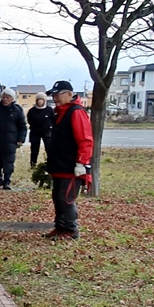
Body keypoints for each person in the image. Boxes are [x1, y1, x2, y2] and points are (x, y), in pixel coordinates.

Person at [44, 80, 93, 240]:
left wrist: (81, 163)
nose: (55, 98)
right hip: (59, 164)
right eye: (53, 95)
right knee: (57, 198)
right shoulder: (59, 112)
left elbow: (85, 140)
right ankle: (60, 227)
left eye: (58, 95)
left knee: (66, 199)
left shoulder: (76, 112)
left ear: (69, 94)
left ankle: (71, 230)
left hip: (71, 165)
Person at [0, 87, 27, 190]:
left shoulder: (17, 110)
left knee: (8, 161)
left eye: (8, 97)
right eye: (3, 97)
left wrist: (21, 139)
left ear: (12, 99)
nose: (5, 99)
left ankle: (7, 181)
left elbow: (22, 126)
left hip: (11, 141)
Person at [26, 92, 55, 167]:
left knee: (49, 148)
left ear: (44, 101)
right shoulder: (32, 111)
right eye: (38, 100)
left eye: (41, 100)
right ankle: (33, 164)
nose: (40, 102)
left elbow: (53, 120)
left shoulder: (49, 110)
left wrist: (50, 127)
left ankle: (50, 164)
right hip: (35, 132)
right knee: (34, 149)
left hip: (47, 132)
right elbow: (29, 120)